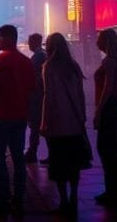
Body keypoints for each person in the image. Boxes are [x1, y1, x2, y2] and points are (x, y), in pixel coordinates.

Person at [0, 24, 37, 215]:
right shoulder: (26, 62)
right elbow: (32, 92)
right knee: (18, 158)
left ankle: (3, 197)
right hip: (20, 117)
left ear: (7, 38)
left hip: (0, 116)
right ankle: (19, 198)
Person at [40, 32, 88, 217]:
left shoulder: (49, 67)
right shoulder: (74, 66)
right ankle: (74, 196)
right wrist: (82, 115)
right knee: (73, 162)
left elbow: (48, 96)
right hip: (74, 122)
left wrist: (44, 121)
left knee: (58, 163)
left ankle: (64, 200)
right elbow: (81, 94)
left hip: (57, 123)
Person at [93, 29, 117, 207]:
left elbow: (107, 88)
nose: (96, 41)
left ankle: (114, 190)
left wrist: (98, 111)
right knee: (112, 149)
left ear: (106, 41)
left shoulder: (109, 62)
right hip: (113, 106)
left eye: (99, 38)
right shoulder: (114, 61)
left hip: (109, 107)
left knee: (107, 149)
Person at [24, 32, 47, 163]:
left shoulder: (37, 57)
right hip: (40, 95)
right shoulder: (43, 55)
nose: (28, 45)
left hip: (37, 96)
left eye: (30, 42)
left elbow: (30, 75)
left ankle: (32, 152)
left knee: (35, 125)